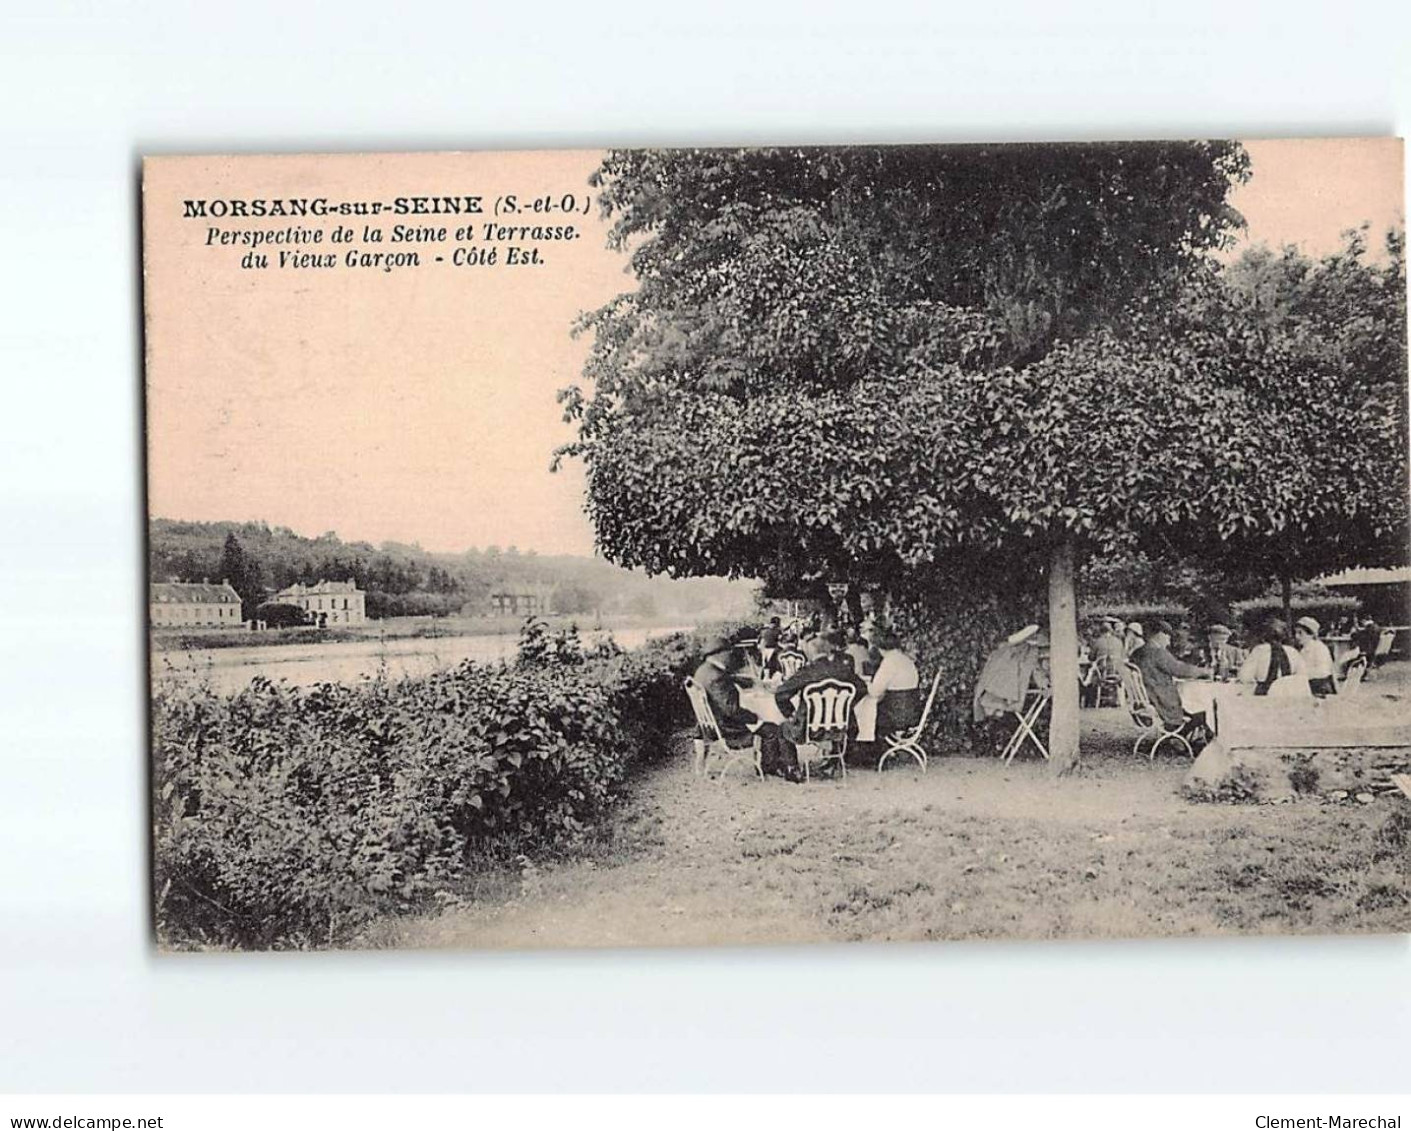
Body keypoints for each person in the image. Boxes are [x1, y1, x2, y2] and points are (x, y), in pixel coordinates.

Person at [691, 636, 797, 780]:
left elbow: (729, 678)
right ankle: (770, 768)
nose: (730, 655)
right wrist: (755, 717)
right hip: (727, 728)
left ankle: (772, 764)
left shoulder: (704, 670)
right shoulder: (716, 677)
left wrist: (746, 681)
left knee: (765, 721)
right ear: (720, 654)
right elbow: (732, 710)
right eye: (728, 652)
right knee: (772, 729)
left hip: (711, 724)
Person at [774, 629, 868, 776]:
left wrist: (790, 713)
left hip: (809, 728)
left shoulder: (808, 671)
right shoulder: (843, 670)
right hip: (840, 726)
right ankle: (834, 761)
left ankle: (793, 769)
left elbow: (780, 694)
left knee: (782, 728)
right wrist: (846, 706)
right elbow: (862, 689)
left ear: (812, 652)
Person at [1131, 620, 1212, 731]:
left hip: (1149, 699)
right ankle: (1180, 736)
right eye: (1168, 637)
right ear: (1160, 634)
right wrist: (1205, 671)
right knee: (1207, 711)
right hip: (1162, 703)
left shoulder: (1137, 652)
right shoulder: (1157, 652)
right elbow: (1180, 669)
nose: (1168, 642)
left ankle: (1178, 737)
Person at [867, 629, 923, 738]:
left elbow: (874, 692)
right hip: (911, 713)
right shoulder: (906, 660)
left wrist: (866, 684)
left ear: (879, 647)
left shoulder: (889, 662)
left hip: (894, 715)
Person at [1236, 618, 1306, 697]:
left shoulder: (1259, 650)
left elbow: (1244, 676)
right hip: (1288, 695)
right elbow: (1302, 676)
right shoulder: (1293, 652)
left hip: (1264, 695)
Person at [1293, 616, 1337, 696]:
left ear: (1311, 634)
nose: (1297, 636)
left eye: (1300, 633)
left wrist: (1301, 675)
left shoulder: (1319, 648)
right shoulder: (1303, 649)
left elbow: (1323, 671)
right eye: (1295, 633)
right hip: (1308, 685)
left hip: (1320, 688)